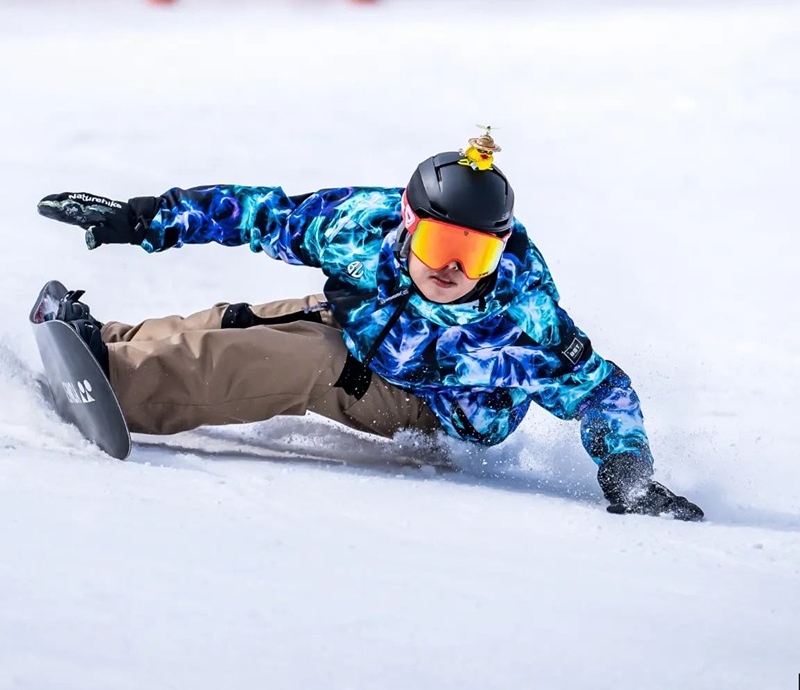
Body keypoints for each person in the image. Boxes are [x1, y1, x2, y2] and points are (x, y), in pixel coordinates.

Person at [37, 131, 703, 521]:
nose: (449, 268)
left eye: (473, 254)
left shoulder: (521, 317)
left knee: (303, 362)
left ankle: (125, 383)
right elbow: (261, 215)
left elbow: (600, 388)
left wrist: (627, 468)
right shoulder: (360, 225)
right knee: (258, 322)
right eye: (437, 243)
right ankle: (115, 342)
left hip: (433, 407)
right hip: (373, 330)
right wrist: (143, 219)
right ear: (407, 223)